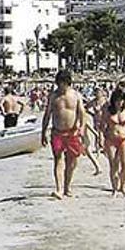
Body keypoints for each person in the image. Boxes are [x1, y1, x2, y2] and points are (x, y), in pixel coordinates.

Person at [41, 70, 85, 200]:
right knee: (58, 159)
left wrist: (82, 128)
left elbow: (82, 113)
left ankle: (67, 186)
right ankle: (59, 189)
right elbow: (47, 114)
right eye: (59, 84)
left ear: (68, 83)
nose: (61, 87)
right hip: (57, 132)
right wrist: (43, 132)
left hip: (72, 133)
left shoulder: (76, 95)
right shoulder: (53, 96)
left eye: (63, 84)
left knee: (72, 161)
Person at [102, 86, 125, 197]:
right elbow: (103, 125)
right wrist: (102, 138)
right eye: (117, 100)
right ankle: (114, 188)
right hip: (111, 139)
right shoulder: (108, 110)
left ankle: (123, 186)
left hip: (124, 138)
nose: (119, 103)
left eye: (121, 100)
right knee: (113, 165)